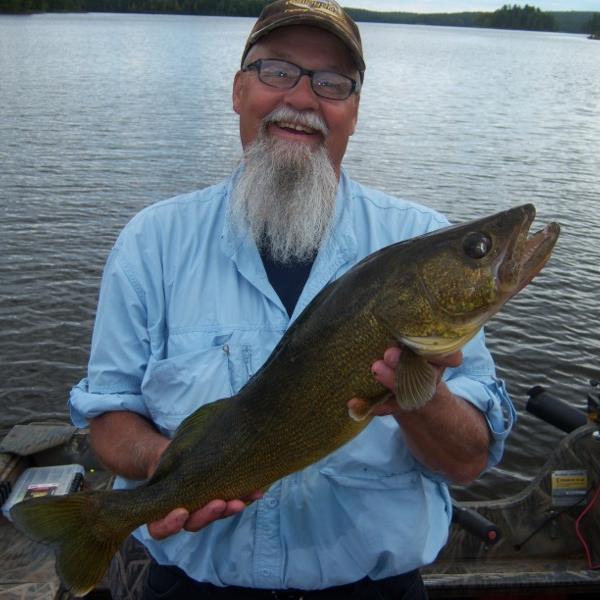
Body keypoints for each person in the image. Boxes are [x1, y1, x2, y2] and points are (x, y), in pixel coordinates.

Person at [69, 1, 516, 598]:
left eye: (333, 83)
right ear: (237, 90)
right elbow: (108, 416)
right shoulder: (152, 243)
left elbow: (466, 463)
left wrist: (420, 394)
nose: (302, 99)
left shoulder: (414, 242)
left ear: (355, 111)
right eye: (277, 70)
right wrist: (164, 463)